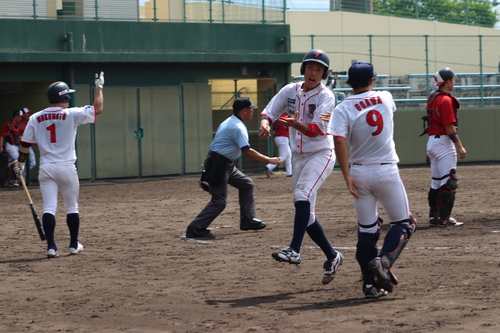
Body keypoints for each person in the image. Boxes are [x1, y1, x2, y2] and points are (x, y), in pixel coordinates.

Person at [328, 61, 417, 298]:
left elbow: (338, 140)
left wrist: (346, 175)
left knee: (367, 231)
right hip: (386, 170)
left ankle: (370, 285)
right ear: (372, 80)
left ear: (349, 82)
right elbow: (382, 113)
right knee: (405, 223)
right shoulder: (385, 97)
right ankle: (385, 262)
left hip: (358, 173)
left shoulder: (342, 108)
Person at [259, 49, 343, 285]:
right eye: (310, 67)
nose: (314, 72)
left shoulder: (326, 96)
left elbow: (317, 131)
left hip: (321, 153)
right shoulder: (290, 90)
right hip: (299, 156)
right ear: (303, 69)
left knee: (301, 195)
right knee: (306, 215)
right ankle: (333, 256)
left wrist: (297, 123)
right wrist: (265, 124)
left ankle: (294, 250)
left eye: (319, 69)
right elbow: (269, 111)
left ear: (324, 73)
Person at [14, 72, 104, 258]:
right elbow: (98, 108)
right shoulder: (71, 114)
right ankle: (72, 245)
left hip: (46, 168)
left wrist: (21, 164)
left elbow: (25, 145)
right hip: (66, 166)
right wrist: (99, 87)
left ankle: (52, 247)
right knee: (72, 206)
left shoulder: (35, 117)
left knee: (49, 208)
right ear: (63, 97)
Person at [185, 97, 281, 239]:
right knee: (219, 201)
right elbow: (247, 151)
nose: (252, 111)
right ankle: (195, 228)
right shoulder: (237, 127)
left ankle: (247, 220)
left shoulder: (231, 121)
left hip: (225, 163)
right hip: (218, 164)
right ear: (244, 110)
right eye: (251, 109)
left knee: (246, 184)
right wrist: (268, 159)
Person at [426, 67, 466, 227]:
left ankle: (434, 217)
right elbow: (449, 126)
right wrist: (460, 146)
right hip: (443, 142)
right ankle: (443, 219)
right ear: (447, 81)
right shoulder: (446, 100)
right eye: (453, 79)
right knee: (449, 181)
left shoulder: (432, 96)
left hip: (432, 141)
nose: (454, 82)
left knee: (436, 182)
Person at [0, 109, 25, 187]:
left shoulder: (21, 125)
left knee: (11, 163)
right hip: (10, 145)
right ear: (15, 116)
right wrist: (0, 146)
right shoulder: (7, 124)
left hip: (18, 145)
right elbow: (2, 136)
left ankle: (8, 181)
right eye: (20, 117)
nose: (21, 118)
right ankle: (14, 179)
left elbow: (21, 135)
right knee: (18, 160)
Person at [265, 112, 292, 177]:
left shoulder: (277, 117)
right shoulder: (285, 117)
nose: (287, 110)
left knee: (288, 156)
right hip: (283, 138)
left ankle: (289, 173)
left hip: (278, 137)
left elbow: (274, 128)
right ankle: (269, 166)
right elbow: (290, 127)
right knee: (283, 156)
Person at [20, 108, 37, 176]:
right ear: (23, 115)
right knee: (19, 162)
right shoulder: (20, 124)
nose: (29, 115)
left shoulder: (30, 122)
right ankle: (15, 178)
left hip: (28, 146)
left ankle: (20, 177)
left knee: (32, 163)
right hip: (20, 146)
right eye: (27, 114)